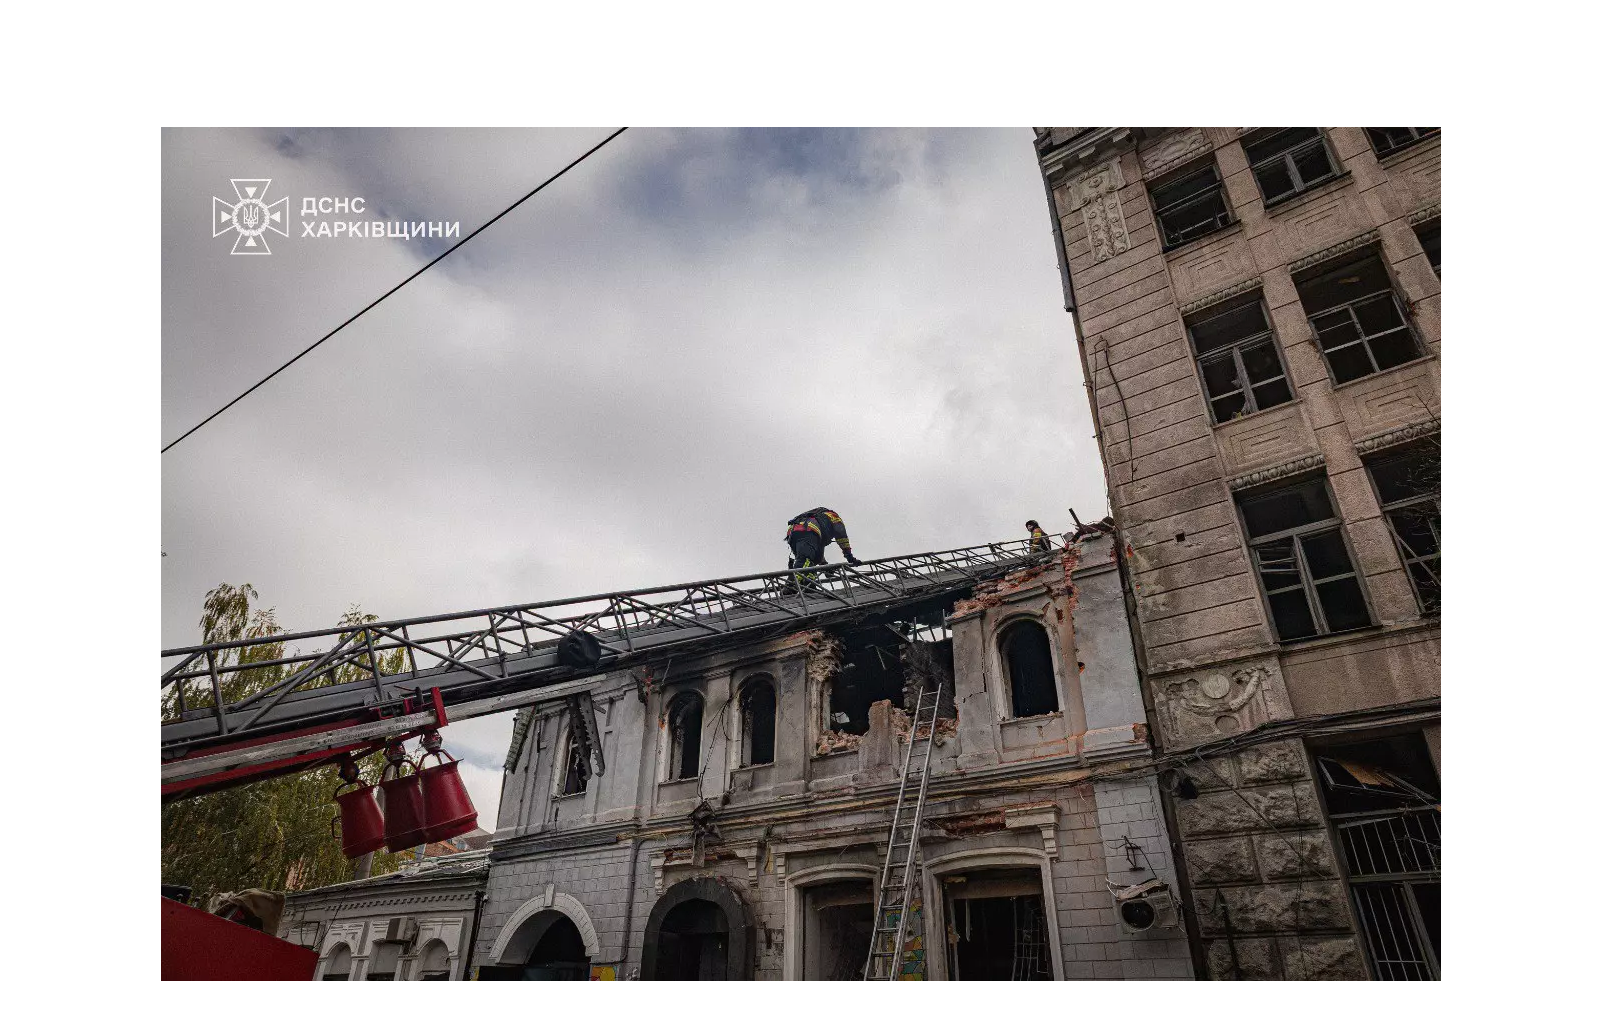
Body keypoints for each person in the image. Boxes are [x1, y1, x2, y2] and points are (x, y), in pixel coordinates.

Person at [786, 507, 860, 581]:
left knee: (813, 561)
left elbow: (817, 552)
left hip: (792, 534)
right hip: (807, 530)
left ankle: (808, 584)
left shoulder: (819, 521)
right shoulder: (834, 516)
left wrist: (824, 566)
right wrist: (849, 556)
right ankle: (793, 583)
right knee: (805, 559)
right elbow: (842, 536)